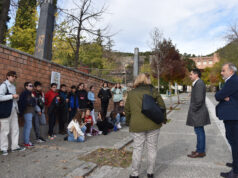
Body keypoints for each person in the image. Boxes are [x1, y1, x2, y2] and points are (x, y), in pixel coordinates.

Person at [125, 73, 167, 178]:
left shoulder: (131, 93)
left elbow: (127, 110)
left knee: (137, 149)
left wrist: (128, 122)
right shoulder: (153, 91)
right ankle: (150, 172)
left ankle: (135, 174)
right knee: (152, 148)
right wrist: (163, 119)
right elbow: (162, 106)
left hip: (137, 125)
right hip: (153, 124)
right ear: (147, 80)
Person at [215, 63, 238, 178]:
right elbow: (222, 95)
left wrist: (222, 95)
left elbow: (218, 95)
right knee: (233, 141)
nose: (221, 73)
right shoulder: (232, 81)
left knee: (235, 143)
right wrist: (224, 96)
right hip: (232, 116)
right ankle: (236, 163)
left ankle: (236, 171)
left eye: (223, 70)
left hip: (233, 116)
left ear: (231, 71)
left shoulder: (233, 81)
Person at [186, 69, 210, 158]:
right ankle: (199, 149)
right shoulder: (198, 83)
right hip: (198, 111)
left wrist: (193, 109)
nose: (190, 76)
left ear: (196, 75)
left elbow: (199, 100)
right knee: (199, 131)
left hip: (198, 112)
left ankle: (200, 151)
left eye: (191, 74)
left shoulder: (199, 83)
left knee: (199, 131)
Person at [0, 71, 25, 156]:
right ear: (7, 76)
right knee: (5, 130)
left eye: (15, 76)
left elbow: (14, 100)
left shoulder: (13, 87)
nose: (14, 78)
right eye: (13, 76)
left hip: (13, 110)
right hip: (5, 111)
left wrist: (16, 98)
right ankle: (3, 148)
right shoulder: (3, 85)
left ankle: (15, 146)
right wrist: (12, 96)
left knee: (15, 129)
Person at [18, 82, 36, 147]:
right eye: (30, 86)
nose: (32, 87)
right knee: (29, 126)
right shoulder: (25, 93)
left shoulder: (30, 93)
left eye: (32, 86)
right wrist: (32, 99)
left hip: (30, 112)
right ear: (26, 86)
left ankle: (25, 141)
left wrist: (33, 99)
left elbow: (34, 103)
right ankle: (26, 142)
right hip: (27, 111)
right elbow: (23, 102)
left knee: (26, 126)